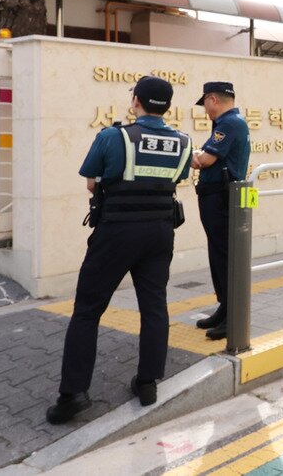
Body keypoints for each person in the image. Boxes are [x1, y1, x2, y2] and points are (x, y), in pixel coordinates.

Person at [47, 75, 192, 424]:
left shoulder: (113, 137)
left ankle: (73, 395)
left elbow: (91, 180)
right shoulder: (184, 142)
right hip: (160, 232)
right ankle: (147, 383)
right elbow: (176, 179)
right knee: (154, 306)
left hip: (117, 232)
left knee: (87, 310)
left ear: (136, 101)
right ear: (167, 106)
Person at [191, 81, 251, 340]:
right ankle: (225, 308)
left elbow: (206, 159)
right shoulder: (229, 123)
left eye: (204, 102)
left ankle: (232, 317)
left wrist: (184, 154)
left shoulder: (229, 123)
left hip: (222, 199)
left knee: (225, 257)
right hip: (217, 197)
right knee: (219, 255)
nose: (204, 109)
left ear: (213, 98)